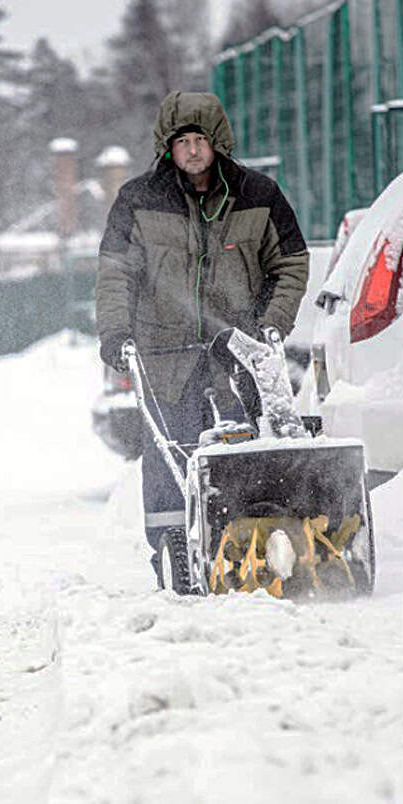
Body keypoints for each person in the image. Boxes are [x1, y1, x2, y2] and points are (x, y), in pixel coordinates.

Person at [95, 90, 310, 589]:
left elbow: (291, 263)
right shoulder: (138, 200)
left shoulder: (258, 195)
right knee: (171, 459)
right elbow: (115, 273)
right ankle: (175, 563)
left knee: (245, 454)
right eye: (182, 142)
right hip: (163, 355)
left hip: (236, 353)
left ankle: (253, 552)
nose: (192, 151)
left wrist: (271, 323)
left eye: (201, 140)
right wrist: (116, 332)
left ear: (218, 144)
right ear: (166, 148)